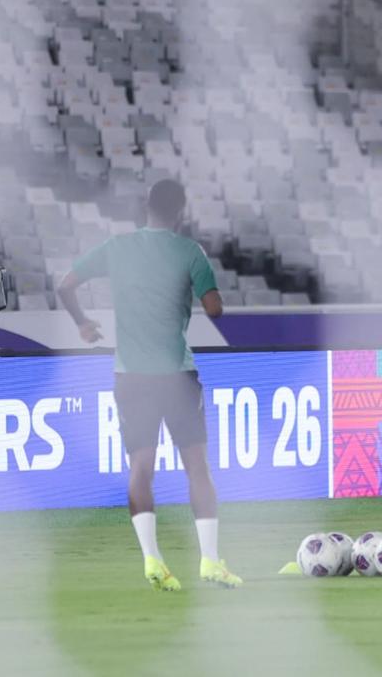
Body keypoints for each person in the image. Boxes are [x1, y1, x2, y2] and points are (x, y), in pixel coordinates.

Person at [57, 179, 242, 590]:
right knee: (197, 469)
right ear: (181, 211)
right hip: (176, 375)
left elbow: (65, 284)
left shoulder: (117, 247)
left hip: (131, 376)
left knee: (141, 468)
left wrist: (83, 323)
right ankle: (210, 561)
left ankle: (152, 559)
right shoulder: (189, 252)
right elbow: (214, 309)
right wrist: (200, 291)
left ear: (146, 206)